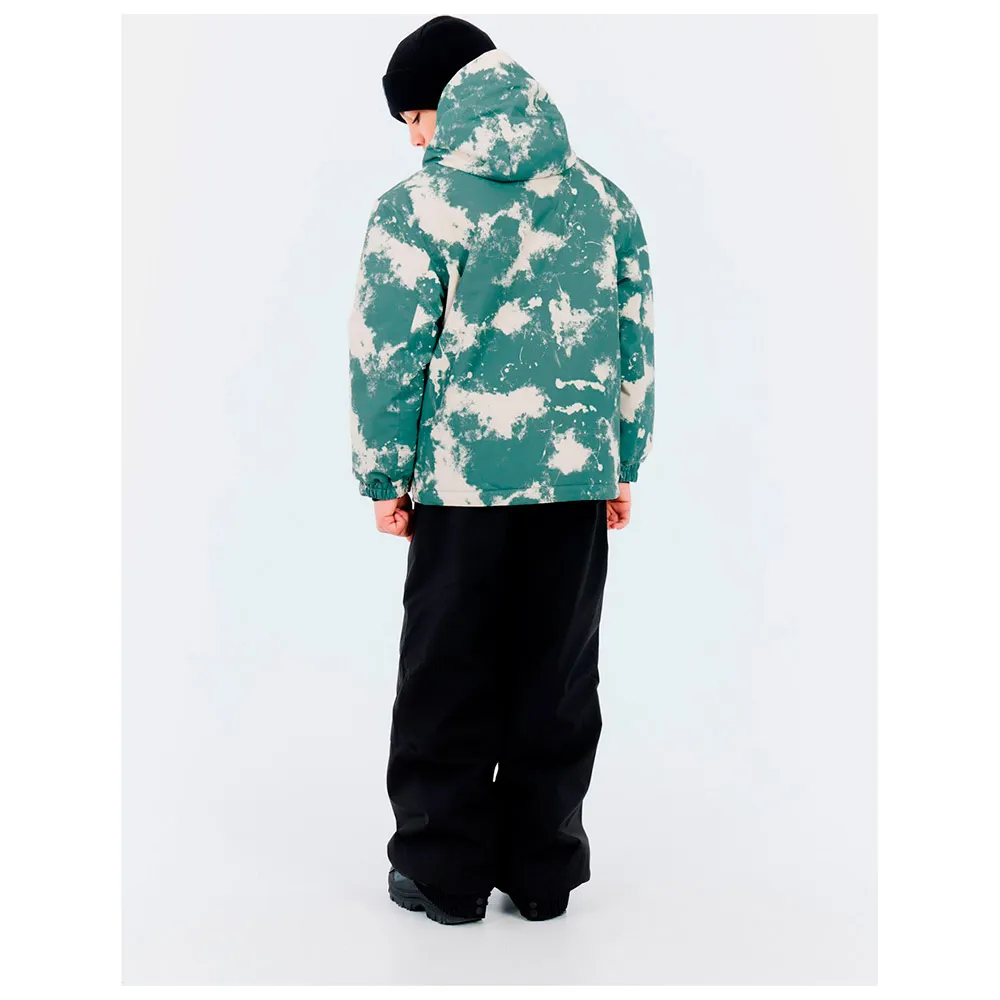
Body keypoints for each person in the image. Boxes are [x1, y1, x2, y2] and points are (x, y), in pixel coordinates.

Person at [347, 15, 655, 925]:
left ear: (447, 102)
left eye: (415, 117)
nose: (415, 140)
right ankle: (543, 871)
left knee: (448, 670)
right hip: (576, 479)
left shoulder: (416, 207)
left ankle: (443, 875)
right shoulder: (605, 200)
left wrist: (383, 473)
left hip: (461, 482)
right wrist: (622, 460)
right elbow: (632, 340)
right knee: (557, 671)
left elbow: (388, 355)